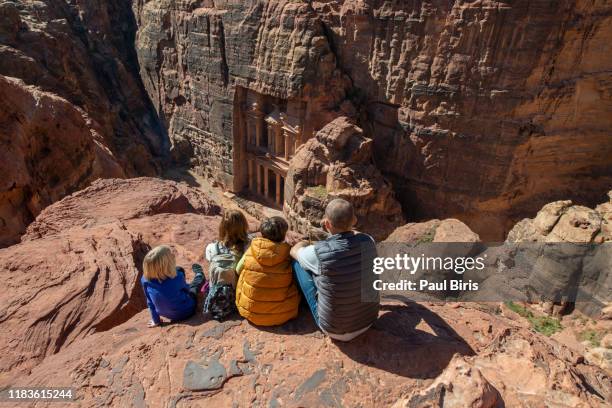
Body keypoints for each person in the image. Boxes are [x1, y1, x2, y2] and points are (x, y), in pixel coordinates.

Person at [290, 199, 379, 341]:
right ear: (354, 220)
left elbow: (294, 251)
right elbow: (355, 234)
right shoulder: (369, 241)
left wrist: (304, 242)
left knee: (298, 263)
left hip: (334, 329)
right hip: (367, 320)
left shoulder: (317, 252)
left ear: (327, 224)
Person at [235, 216, 300, 326]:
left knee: (245, 272)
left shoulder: (251, 250)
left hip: (250, 311)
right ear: (284, 235)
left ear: (262, 233)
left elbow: (237, 270)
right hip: (282, 314)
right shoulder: (289, 253)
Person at [141, 245, 205, 327]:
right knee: (194, 287)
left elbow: (150, 302)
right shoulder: (177, 277)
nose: (173, 255)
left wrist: (155, 320)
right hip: (186, 311)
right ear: (166, 264)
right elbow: (186, 289)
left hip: (166, 314)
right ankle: (199, 275)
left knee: (178, 269)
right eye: (170, 255)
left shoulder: (145, 280)